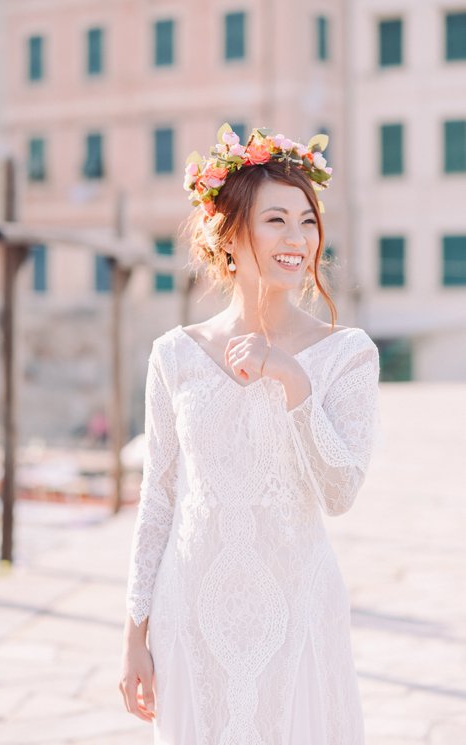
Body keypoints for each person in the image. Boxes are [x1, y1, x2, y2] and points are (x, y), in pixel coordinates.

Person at [120, 126, 378, 743]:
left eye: (308, 222)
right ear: (230, 233)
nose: (298, 239)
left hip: (298, 609)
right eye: (277, 221)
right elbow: (158, 499)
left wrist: (293, 383)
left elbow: (340, 491)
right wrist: (135, 635)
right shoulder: (174, 354)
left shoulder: (347, 355)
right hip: (193, 613)